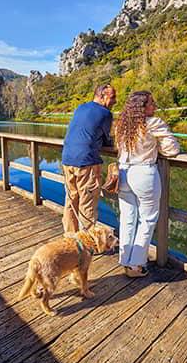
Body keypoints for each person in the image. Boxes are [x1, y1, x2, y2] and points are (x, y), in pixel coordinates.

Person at [115, 91, 180, 277]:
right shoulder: (153, 123)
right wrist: (157, 148)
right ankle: (135, 265)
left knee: (128, 218)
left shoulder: (122, 125)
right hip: (143, 173)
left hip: (123, 173)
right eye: (152, 103)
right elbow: (172, 149)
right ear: (142, 107)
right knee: (148, 219)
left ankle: (126, 260)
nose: (155, 106)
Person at [61, 84, 116, 233]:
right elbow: (106, 140)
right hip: (87, 161)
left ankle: (70, 238)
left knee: (71, 200)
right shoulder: (105, 113)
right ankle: (86, 243)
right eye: (112, 97)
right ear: (102, 96)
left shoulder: (80, 108)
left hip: (67, 158)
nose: (115, 101)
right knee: (87, 203)